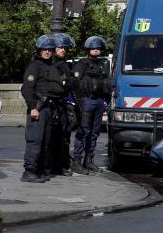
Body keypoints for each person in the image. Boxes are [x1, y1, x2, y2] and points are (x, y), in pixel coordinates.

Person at [21, 35, 67, 182]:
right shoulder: (34, 66)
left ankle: (40, 169)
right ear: (39, 51)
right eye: (44, 50)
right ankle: (29, 171)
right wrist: (33, 107)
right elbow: (27, 89)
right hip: (39, 108)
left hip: (50, 108)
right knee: (35, 140)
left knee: (47, 141)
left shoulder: (51, 66)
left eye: (50, 50)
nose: (47, 52)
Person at [71, 36, 110, 174]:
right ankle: (77, 161)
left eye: (98, 48)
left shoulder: (104, 64)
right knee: (84, 131)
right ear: (88, 49)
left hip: (99, 101)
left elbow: (107, 83)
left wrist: (107, 101)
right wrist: (79, 101)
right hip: (86, 100)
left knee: (94, 132)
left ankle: (89, 161)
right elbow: (75, 84)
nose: (95, 51)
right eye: (93, 48)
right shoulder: (81, 64)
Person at [50, 32, 76, 177]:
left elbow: (71, 83)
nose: (63, 50)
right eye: (60, 47)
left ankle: (61, 165)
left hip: (63, 104)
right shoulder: (49, 64)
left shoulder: (66, 65)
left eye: (65, 47)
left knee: (64, 137)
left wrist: (65, 82)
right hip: (51, 104)